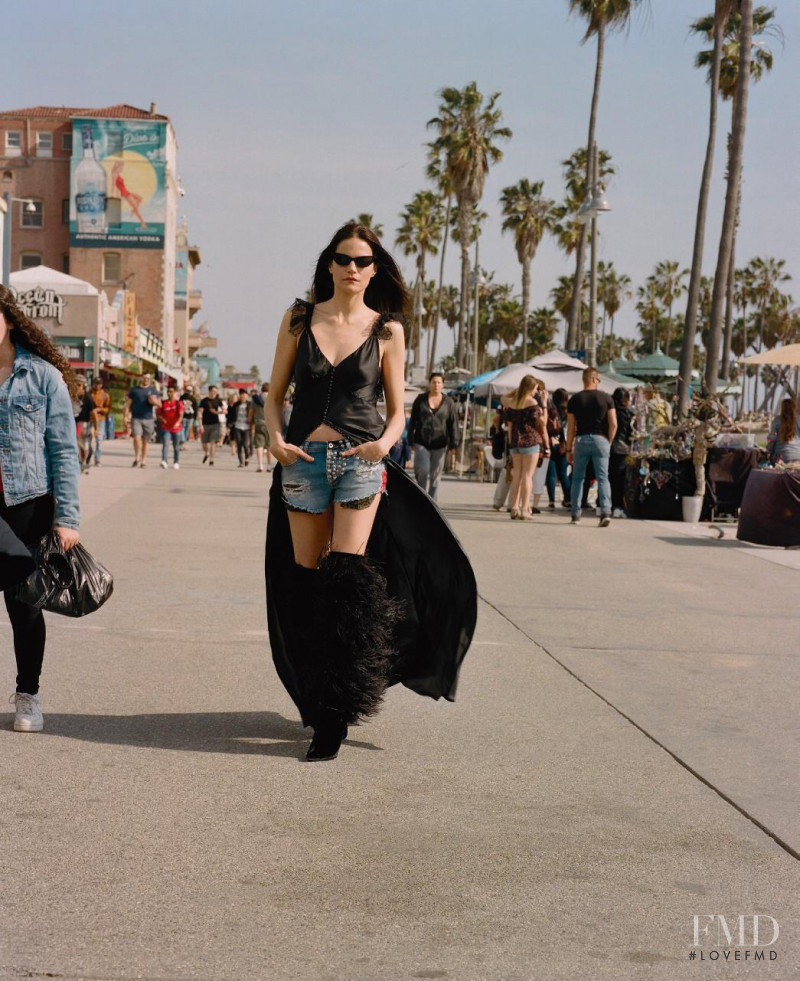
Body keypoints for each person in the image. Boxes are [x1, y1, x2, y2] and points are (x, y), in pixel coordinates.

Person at [264, 222, 477, 763]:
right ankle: (316, 695)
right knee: (308, 584)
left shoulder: (387, 330)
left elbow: (399, 409)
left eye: (363, 261)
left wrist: (383, 444)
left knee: (348, 582)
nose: (353, 269)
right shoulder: (298, 319)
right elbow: (273, 396)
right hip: (304, 464)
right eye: (344, 259)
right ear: (329, 265)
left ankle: (334, 716)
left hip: (360, 464)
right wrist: (276, 440)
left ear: (374, 269)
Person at [0, 284, 80, 733]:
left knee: (24, 606)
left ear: (8, 320)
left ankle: (27, 694)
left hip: (25, 505)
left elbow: (63, 450)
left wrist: (67, 517)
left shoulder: (41, 376)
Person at [566, 367, 617, 527]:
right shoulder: (606, 398)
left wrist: (568, 448)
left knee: (578, 478)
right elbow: (613, 424)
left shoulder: (574, 399)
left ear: (584, 379)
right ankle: (605, 512)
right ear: (595, 379)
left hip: (581, 440)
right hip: (601, 440)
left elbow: (571, 427)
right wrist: (607, 441)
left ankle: (575, 514)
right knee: (603, 477)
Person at [500, 375, 548, 520]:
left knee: (517, 475)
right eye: (535, 388)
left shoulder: (512, 402)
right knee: (527, 476)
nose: (536, 392)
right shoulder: (532, 403)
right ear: (530, 388)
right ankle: (524, 508)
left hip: (515, 442)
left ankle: (514, 507)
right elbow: (543, 423)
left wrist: (517, 390)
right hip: (530, 442)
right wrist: (544, 404)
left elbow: (503, 398)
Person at [408, 373, 459, 502]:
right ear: (429, 384)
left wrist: (454, 443)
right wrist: (410, 439)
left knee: (436, 475)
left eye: (438, 382)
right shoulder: (420, 400)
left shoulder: (449, 402)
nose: (436, 385)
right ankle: (421, 499)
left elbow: (453, 423)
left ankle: (432, 503)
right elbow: (412, 420)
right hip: (421, 441)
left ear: (443, 385)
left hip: (440, 443)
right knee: (423, 469)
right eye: (433, 382)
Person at [124, 373, 161, 468]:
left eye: (148, 378)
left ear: (150, 379)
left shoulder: (153, 390)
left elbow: (160, 404)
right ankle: (137, 457)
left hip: (148, 418)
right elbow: (128, 404)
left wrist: (154, 402)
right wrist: (126, 416)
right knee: (136, 438)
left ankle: (143, 460)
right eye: (144, 378)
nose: (146, 380)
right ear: (141, 378)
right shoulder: (135, 390)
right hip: (136, 418)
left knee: (145, 441)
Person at [545, 388, 571, 510]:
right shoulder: (569, 411)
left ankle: (551, 501)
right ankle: (568, 499)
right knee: (563, 474)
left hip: (550, 442)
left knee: (551, 474)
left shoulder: (550, 409)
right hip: (563, 445)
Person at [610, 387, 633, 517]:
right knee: (619, 480)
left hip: (609, 447)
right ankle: (617, 506)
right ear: (625, 400)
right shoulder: (627, 414)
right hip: (622, 449)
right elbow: (630, 433)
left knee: (608, 478)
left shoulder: (610, 411)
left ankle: (602, 504)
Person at [72, 375, 95, 474]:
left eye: (79, 385)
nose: (77, 387)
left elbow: (94, 413)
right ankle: (79, 462)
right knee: (75, 444)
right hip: (72, 423)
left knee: (84, 446)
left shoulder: (88, 397)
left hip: (84, 424)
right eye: (75, 384)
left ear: (83, 386)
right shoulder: (70, 395)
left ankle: (84, 460)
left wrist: (96, 428)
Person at [157, 385, 184, 469]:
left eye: (171, 391)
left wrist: (178, 422)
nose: (169, 393)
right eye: (168, 391)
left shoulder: (178, 403)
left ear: (175, 393)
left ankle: (176, 462)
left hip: (176, 428)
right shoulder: (163, 403)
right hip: (166, 428)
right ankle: (164, 461)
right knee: (165, 444)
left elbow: (181, 414)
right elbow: (158, 414)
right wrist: (161, 419)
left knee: (176, 446)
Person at [767, 398, 800, 464]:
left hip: (781, 459)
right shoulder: (798, 420)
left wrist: (768, 451)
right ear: (794, 408)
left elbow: (771, 440)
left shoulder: (777, 420)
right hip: (798, 457)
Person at [249, 382, 272, 472]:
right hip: (270, 424)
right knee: (269, 446)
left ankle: (260, 465)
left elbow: (251, 412)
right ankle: (269, 466)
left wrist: (249, 422)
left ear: (261, 389)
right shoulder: (272, 398)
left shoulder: (255, 399)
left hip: (259, 423)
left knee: (259, 445)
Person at [89, 377, 111, 466]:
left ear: (101, 385)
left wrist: (100, 409)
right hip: (90, 419)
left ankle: (97, 459)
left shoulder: (105, 395)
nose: (97, 385)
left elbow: (108, 408)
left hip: (100, 419)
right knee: (88, 440)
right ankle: (88, 455)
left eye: (99, 383)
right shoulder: (89, 394)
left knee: (99, 440)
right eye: (95, 383)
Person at [198, 385, 222, 466]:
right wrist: (200, 425)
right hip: (205, 424)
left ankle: (212, 459)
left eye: (216, 391)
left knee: (213, 442)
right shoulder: (204, 401)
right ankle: (207, 453)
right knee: (204, 443)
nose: (215, 393)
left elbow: (225, 411)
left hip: (215, 424)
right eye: (213, 391)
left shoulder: (218, 400)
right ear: (209, 391)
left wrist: (217, 412)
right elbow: (200, 413)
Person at [232, 390, 251, 467]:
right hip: (237, 426)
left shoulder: (250, 404)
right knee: (239, 445)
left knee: (246, 444)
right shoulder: (236, 404)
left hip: (247, 427)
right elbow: (232, 415)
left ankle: (247, 458)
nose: (243, 396)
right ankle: (241, 462)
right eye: (241, 394)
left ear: (247, 395)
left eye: (244, 394)